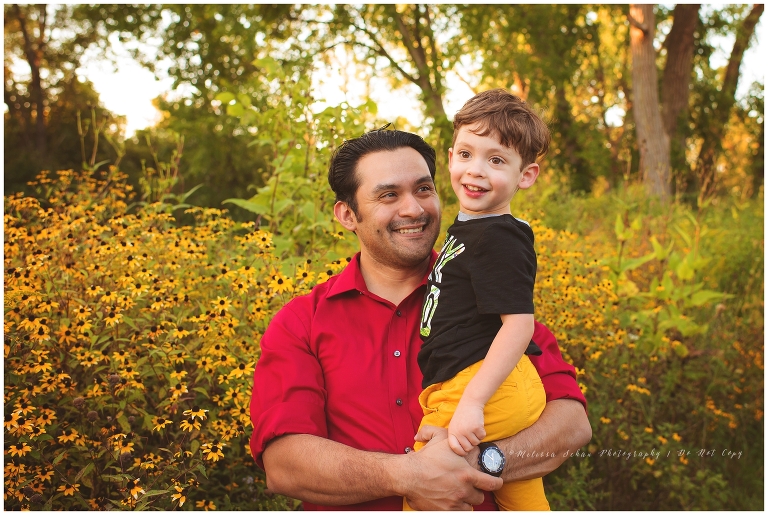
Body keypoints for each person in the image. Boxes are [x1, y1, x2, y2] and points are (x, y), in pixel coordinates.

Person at [248, 127, 591, 511]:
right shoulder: (301, 322)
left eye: (424, 189)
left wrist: (482, 463)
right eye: (389, 195)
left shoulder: (487, 296)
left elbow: (571, 423)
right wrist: (408, 475)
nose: (413, 209)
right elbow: (284, 466)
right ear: (348, 215)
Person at [407, 89, 552, 511]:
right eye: (467, 154)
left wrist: (471, 404)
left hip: (482, 389)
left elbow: (519, 324)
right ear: (450, 157)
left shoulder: (497, 236)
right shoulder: (473, 229)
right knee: (524, 501)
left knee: (424, 491)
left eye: (496, 160)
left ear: (526, 175)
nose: (476, 171)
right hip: (491, 387)